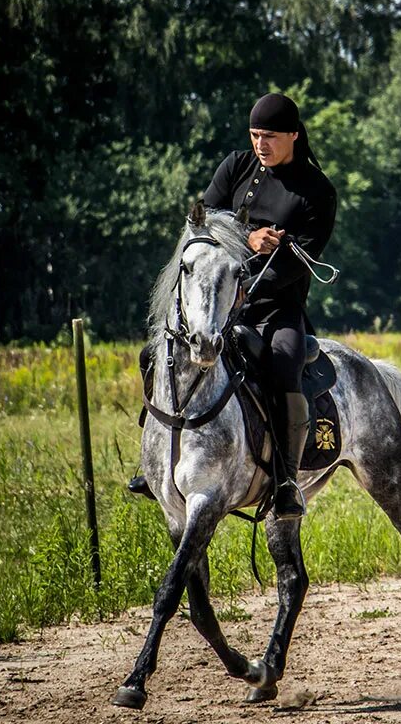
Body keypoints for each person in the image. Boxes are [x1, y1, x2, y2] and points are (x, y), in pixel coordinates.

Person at [129, 93, 338, 519]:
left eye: (271, 136)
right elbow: (201, 225)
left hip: (277, 309)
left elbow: (304, 264)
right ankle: (151, 466)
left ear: (294, 135)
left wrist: (251, 277)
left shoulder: (318, 192)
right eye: (256, 135)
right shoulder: (235, 166)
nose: (261, 144)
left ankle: (285, 480)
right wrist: (250, 238)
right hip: (214, 303)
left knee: (284, 364)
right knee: (156, 354)